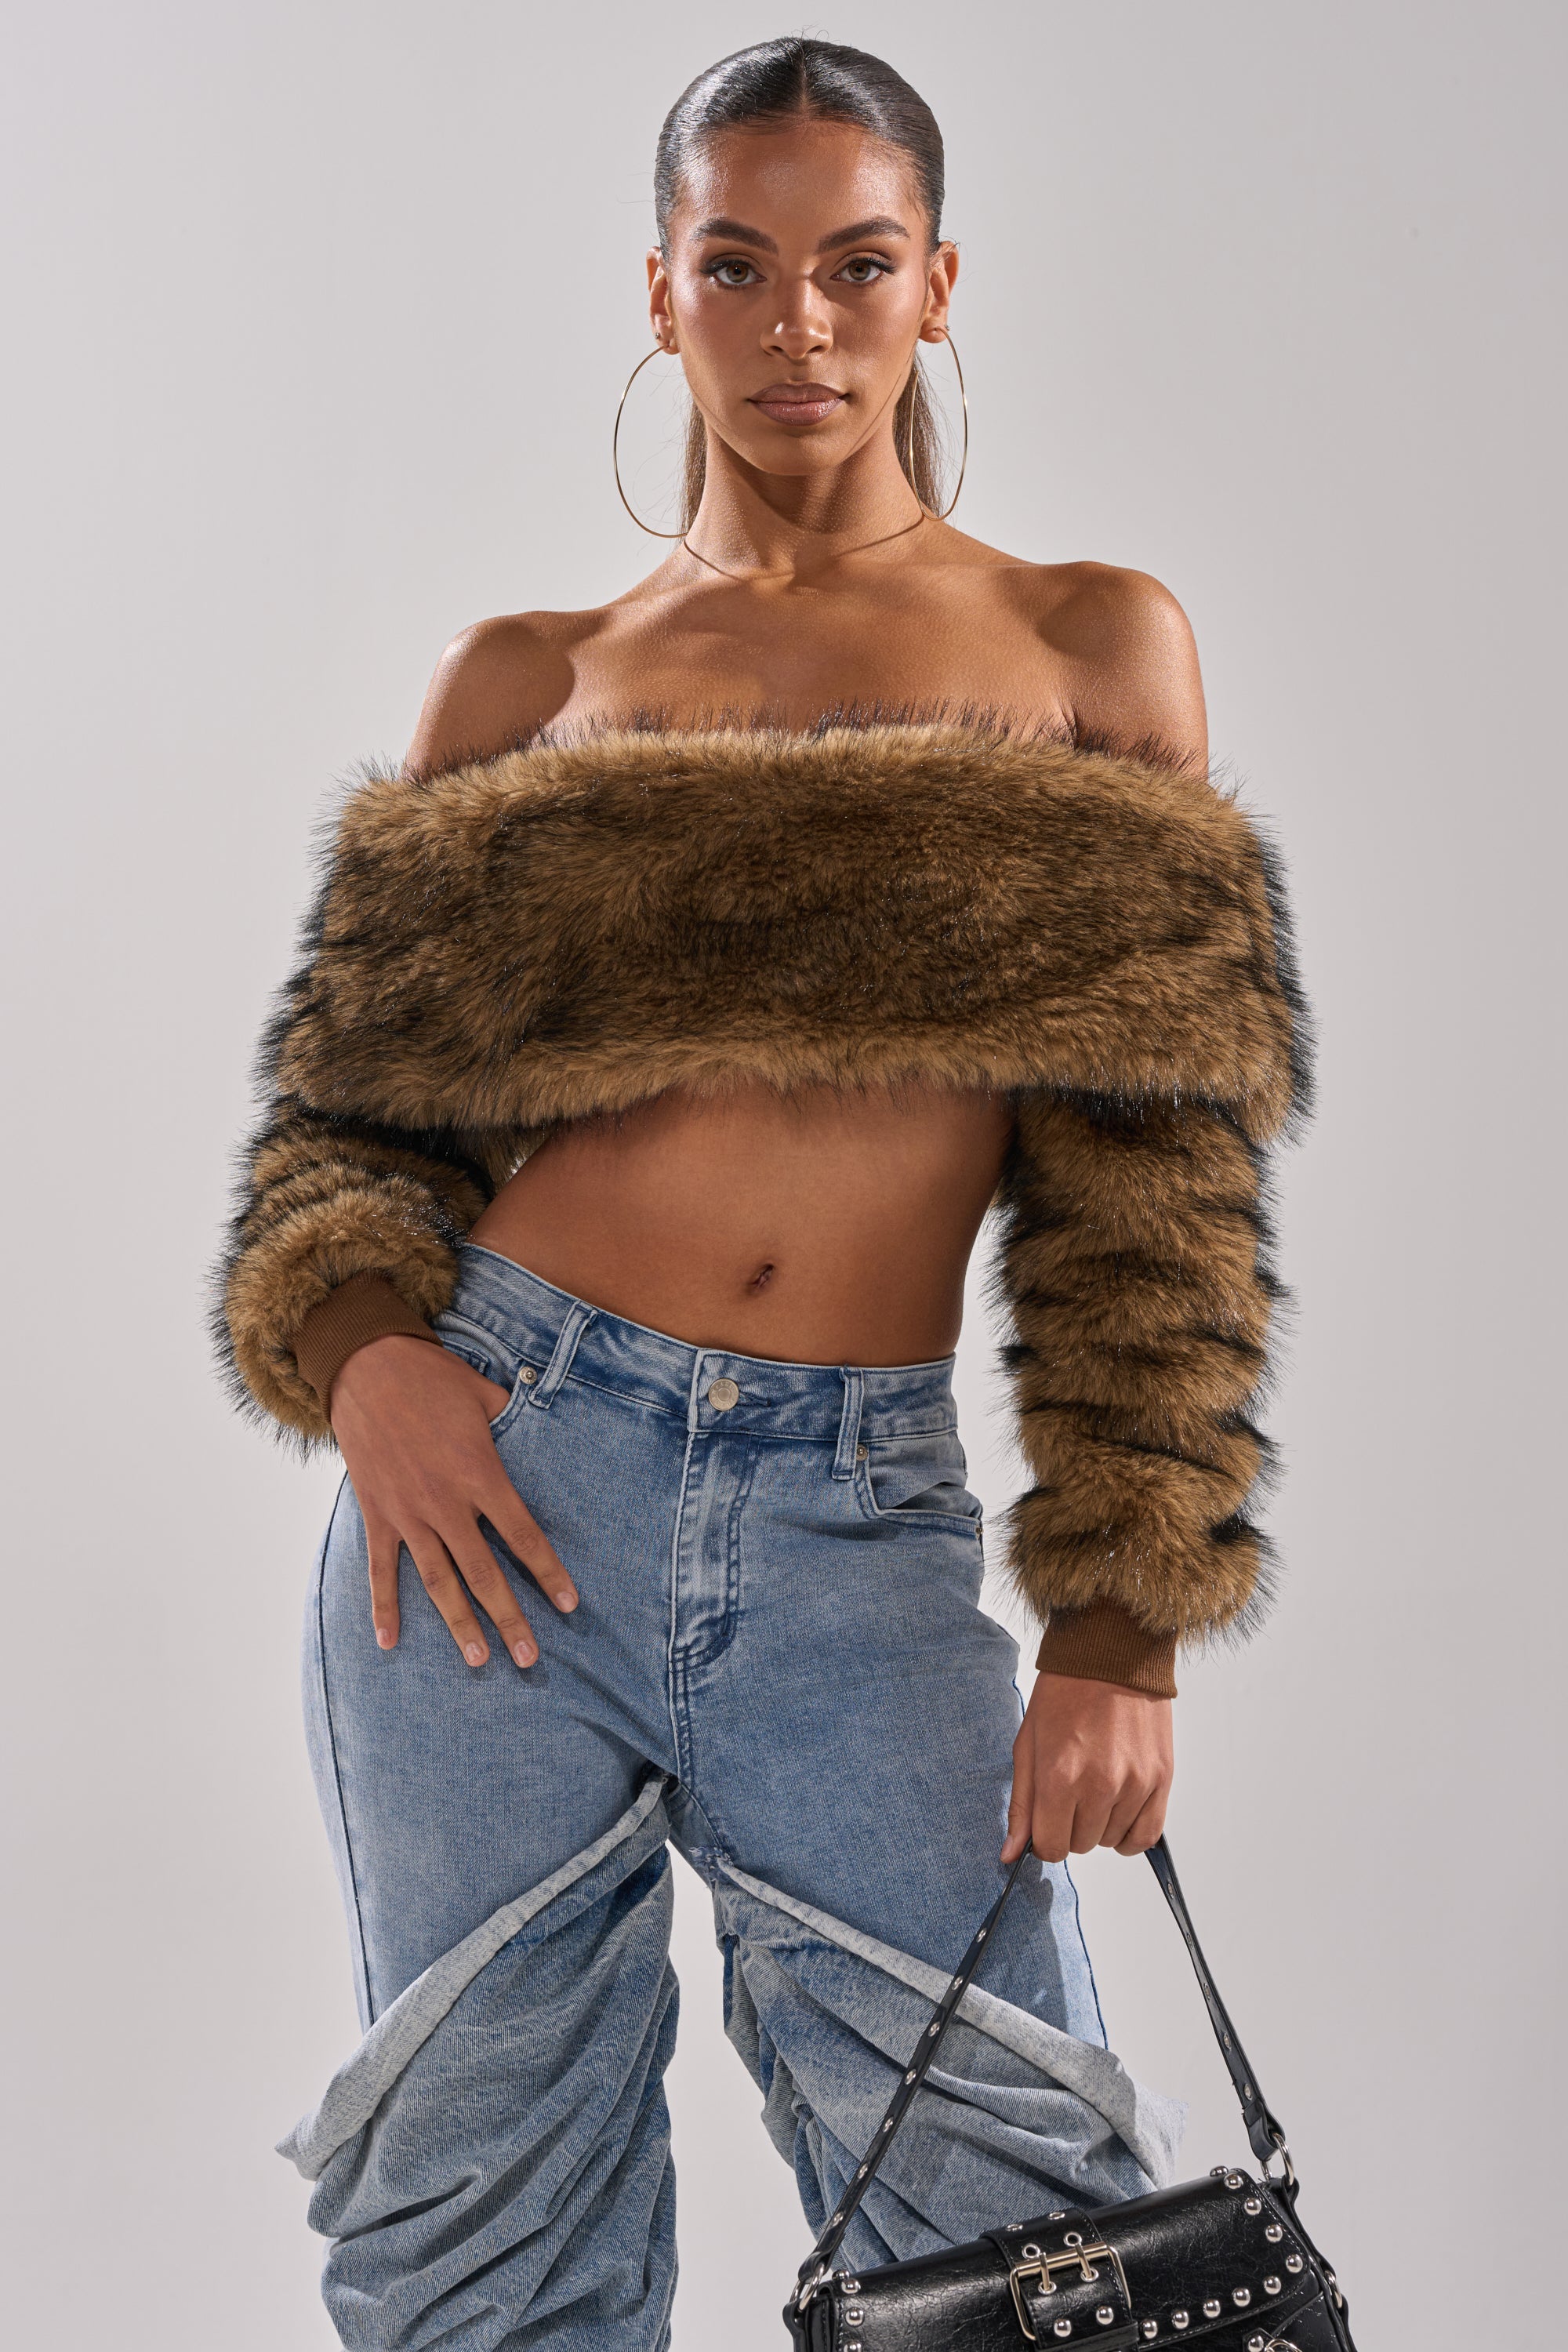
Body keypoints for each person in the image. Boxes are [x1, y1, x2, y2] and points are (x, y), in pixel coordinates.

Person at [216, 37, 1308, 2350]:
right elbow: (343, 1135)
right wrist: (372, 1359)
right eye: (737, 265)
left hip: (854, 1527)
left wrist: (1119, 1625)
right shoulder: (531, 679)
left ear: (939, 288)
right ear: (662, 290)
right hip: (494, 1503)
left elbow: (1160, 1185)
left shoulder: (1087, 645)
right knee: (476, 2235)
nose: (798, 322)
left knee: (1018, 2230)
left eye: (856, 266)